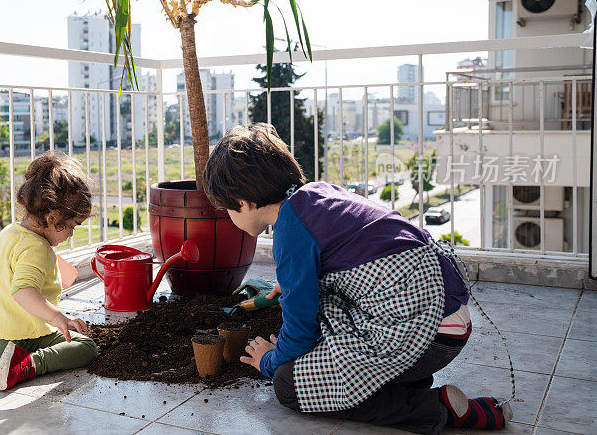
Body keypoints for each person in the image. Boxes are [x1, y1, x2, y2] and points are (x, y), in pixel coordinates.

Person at [203, 124, 512, 434]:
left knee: (288, 383)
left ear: (243, 203)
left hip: (427, 336)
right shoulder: (318, 195)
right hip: (446, 319)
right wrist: (294, 280)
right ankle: (403, 382)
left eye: (227, 210)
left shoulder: (289, 231)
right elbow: (354, 253)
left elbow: (301, 331)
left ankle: (435, 409)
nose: (231, 218)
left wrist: (269, 361)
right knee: (330, 331)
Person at [0, 152, 98, 391]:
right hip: (24, 337)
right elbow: (23, 291)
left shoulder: (10, 233)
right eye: (71, 226)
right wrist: (58, 317)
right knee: (87, 348)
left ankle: (12, 355)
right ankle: (27, 365)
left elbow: (11, 271)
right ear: (52, 217)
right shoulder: (38, 249)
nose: (71, 234)